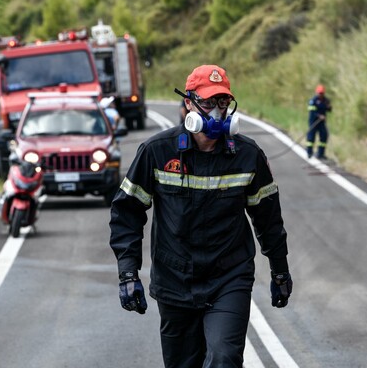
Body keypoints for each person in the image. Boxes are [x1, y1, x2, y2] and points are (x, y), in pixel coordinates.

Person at [109, 64, 293, 368]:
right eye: (208, 103)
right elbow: (126, 212)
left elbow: (269, 219)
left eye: (223, 103)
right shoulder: (157, 152)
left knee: (224, 357)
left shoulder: (248, 156)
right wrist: (128, 272)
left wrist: (280, 270)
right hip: (174, 281)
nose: (217, 112)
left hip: (228, 277)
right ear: (188, 104)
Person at [306, 84, 332, 159]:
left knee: (324, 136)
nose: (321, 94)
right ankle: (309, 152)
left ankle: (320, 154)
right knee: (311, 138)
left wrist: (329, 107)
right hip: (313, 121)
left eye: (322, 93)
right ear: (317, 93)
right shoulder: (313, 101)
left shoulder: (325, 100)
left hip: (322, 122)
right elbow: (312, 111)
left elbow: (328, 109)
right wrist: (319, 116)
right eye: (319, 93)